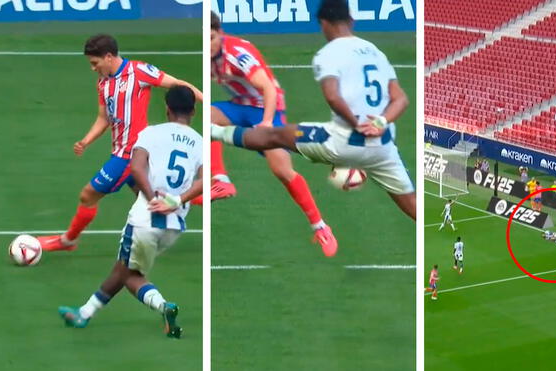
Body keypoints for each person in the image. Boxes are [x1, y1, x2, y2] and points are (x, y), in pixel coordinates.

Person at [211, 0, 415, 226]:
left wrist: (356, 123)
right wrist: (381, 120)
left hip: (343, 141)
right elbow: (401, 99)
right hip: (383, 146)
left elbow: (332, 96)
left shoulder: (327, 54)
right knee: (412, 205)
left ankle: (213, 132)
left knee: (274, 136)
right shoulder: (375, 52)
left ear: (323, 23)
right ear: (351, 20)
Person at [57, 86, 203, 338]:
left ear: (167, 108)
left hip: (145, 220)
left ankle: (162, 306)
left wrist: (152, 197)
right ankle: (84, 313)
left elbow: (135, 169)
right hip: (174, 226)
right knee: (127, 270)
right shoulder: (200, 142)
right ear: (193, 111)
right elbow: (203, 181)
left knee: (128, 273)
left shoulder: (150, 133)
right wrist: (176, 200)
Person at [38, 34, 203, 252]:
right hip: (120, 150)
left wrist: (206, 103)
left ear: (108, 57)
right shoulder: (103, 83)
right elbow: (103, 118)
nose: (93, 68)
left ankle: (68, 241)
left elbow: (178, 84)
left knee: (88, 195)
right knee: (150, 194)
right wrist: (86, 141)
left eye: (94, 63)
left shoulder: (139, 71)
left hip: (130, 154)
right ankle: (201, 196)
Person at [210, 11, 336, 255]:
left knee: (282, 170)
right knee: (210, 119)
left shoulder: (237, 55)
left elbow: (267, 88)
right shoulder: (209, 56)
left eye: (212, 38)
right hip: (240, 104)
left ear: (220, 34)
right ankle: (221, 180)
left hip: (265, 107)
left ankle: (320, 227)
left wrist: (267, 122)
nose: (208, 44)